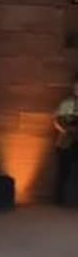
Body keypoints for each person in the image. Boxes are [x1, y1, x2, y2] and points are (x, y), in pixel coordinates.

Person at [52, 72, 78, 205]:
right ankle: (58, 201)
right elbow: (56, 121)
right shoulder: (66, 103)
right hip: (66, 142)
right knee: (63, 172)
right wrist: (66, 129)